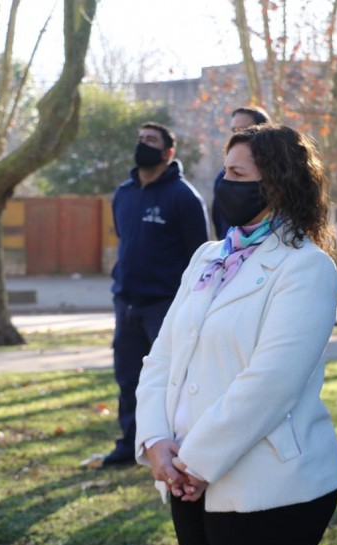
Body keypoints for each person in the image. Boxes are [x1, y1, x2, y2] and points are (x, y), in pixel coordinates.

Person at [135, 124, 337, 545]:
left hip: (268, 488)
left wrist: (195, 461)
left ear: (276, 183)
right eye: (225, 172)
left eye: (237, 173)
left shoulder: (306, 267)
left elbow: (271, 383)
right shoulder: (207, 257)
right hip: (185, 481)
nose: (224, 184)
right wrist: (155, 440)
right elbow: (164, 356)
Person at [102, 122, 209, 468]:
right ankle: (131, 444)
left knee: (172, 380)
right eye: (140, 139)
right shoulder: (123, 194)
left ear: (168, 153)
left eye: (151, 141)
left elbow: (199, 256)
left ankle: (177, 445)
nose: (142, 145)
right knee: (129, 378)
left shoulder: (184, 197)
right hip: (127, 303)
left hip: (165, 306)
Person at [212, 106, 271, 239]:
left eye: (244, 129)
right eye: (234, 130)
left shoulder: (280, 176)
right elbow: (219, 222)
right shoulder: (222, 178)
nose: (238, 134)